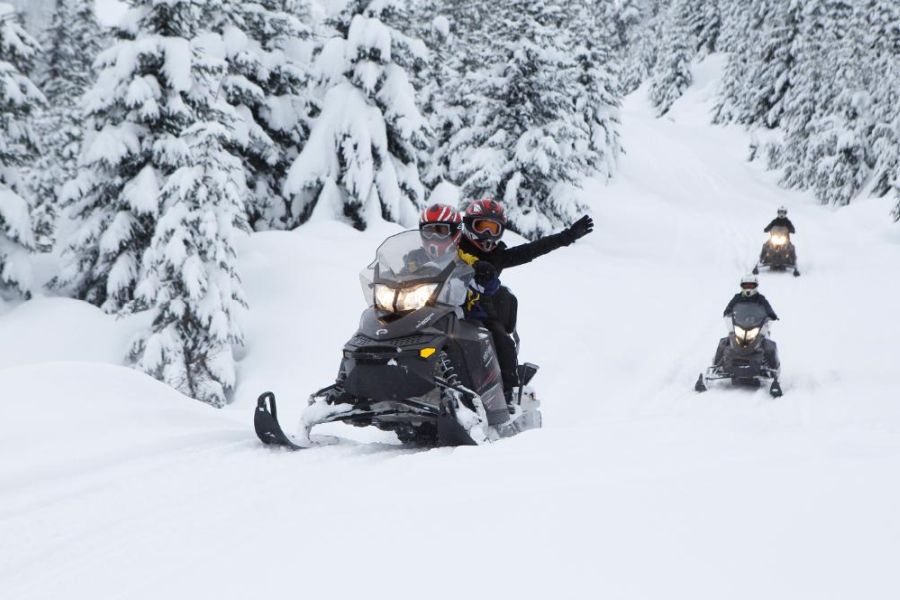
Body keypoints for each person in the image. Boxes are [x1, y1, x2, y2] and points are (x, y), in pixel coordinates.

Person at [455, 199, 594, 405]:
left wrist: (567, 236)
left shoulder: (497, 256)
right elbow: (431, 247)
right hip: (444, 303)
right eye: (482, 227)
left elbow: (532, 249)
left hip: (479, 312)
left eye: (494, 229)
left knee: (503, 341)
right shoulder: (454, 245)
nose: (487, 235)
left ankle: (508, 393)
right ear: (469, 225)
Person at [715, 274, 779, 370]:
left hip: (757, 326)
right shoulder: (737, 297)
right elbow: (729, 307)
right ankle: (716, 366)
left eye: (751, 286)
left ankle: (773, 368)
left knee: (769, 346)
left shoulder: (760, 298)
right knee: (724, 342)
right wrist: (727, 312)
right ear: (742, 286)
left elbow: (768, 308)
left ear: (755, 286)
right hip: (740, 324)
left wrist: (772, 315)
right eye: (746, 286)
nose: (748, 288)